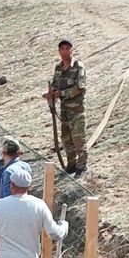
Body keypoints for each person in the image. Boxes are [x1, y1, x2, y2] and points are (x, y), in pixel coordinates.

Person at [44, 39, 88, 174]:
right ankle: (71, 164)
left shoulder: (78, 66)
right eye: (62, 49)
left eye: (67, 49)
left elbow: (80, 87)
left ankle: (82, 165)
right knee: (66, 139)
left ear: (72, 50)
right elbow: (56, 85)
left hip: (77, 110)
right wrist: (50, 95)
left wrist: (61, 93)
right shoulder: (58, 68)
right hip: (64, 112)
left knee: (78, 138)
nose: (64, 52)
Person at [0, 137, 31, 202]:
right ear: (19, 152)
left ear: (3, 153)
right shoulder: (27, 167)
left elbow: (6, 198)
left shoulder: (8, 172)